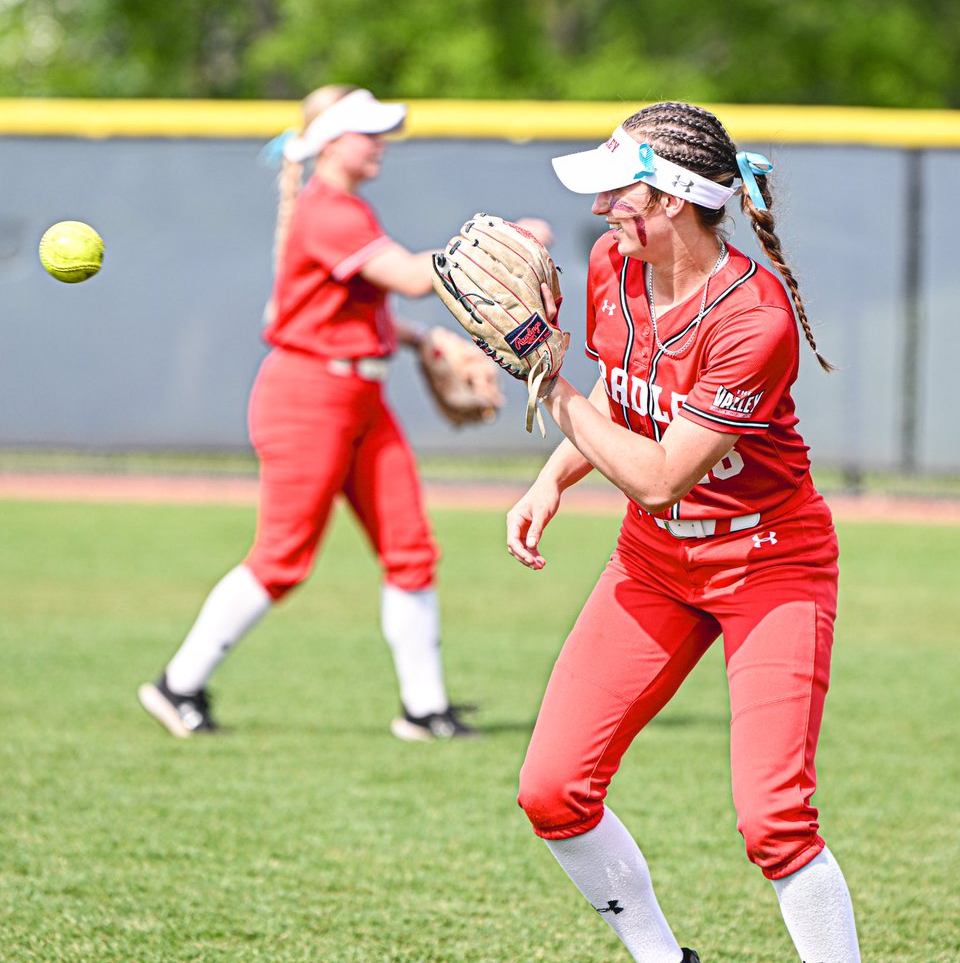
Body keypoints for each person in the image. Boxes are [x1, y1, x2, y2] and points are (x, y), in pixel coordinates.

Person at [506, 102, 861, 963]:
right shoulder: (610, 264)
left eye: (617, 192)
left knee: (774, 821)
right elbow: (621, 399)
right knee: (552, 791)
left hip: (768, 564)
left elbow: (661, 476)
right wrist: (551, 476)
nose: (600, 210)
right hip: (658, 564)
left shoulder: (754, 317)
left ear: (669, 201)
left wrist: (542, 378)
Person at [138, 84, 524, 742]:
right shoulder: (330, 210)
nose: (378, 144)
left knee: (410, 548)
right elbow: (405, 276)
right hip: (307, 398)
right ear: (329, 142)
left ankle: (424, 710)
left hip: (361, 397)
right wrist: (489, 252)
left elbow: (361, 308)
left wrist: (423, 338)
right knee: (282, 557)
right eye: (366, 132)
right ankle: (179, 684)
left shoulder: (344, 211)